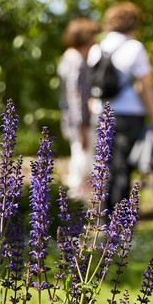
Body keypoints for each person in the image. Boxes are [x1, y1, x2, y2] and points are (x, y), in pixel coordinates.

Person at [87, 2, 153, 212]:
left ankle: (103, 217)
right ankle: (119, 223)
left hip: (101, 113)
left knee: (104, 166)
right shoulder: (134, 47)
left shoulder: (97, 48)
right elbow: (143, 86)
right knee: (123, 168)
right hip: (129, 115)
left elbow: (91, 86)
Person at [58, 17, 100, 199]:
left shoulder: (69, 58)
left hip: (73, 122)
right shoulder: (76, 60)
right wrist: (82, 126)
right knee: (83, 167)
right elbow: (76, 96)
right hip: (80, 124)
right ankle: (79, 209)